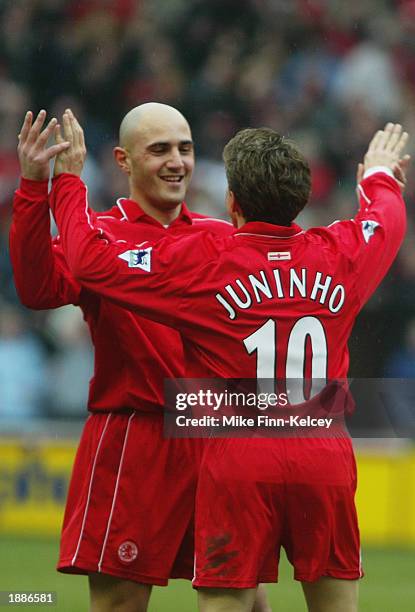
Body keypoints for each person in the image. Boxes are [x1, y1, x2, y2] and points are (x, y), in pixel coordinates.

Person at [50, 114, 408, 612]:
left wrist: (67, 182)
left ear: (233, 203)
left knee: (226, 603)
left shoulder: (205, 261)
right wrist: (380, 175)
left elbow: (89, 262)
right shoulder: (341, 252)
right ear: (303, 200)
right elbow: (386, 220)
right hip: (322, 452)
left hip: (237, 456)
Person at [11, 106, 272, 612]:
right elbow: (38, 288)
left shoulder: (221, 238)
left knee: (247, 601)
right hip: (135, 441)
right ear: (123, 161)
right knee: (122, 604)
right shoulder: (98, 239)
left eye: (185, 148)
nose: (176, 162)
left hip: (215, 442)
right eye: (159, 150)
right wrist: (31, 188)